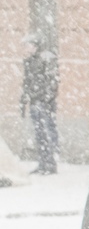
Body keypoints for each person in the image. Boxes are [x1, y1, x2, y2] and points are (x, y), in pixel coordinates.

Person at [19, 33, 59, 175]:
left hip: (44, 103)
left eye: (28, 45)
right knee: (39, 134)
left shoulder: (47, 58)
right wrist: (24, 99)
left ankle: (50, 164)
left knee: (48, 133)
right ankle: (42, 164)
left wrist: (47, 99)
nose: (26, 48)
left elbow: (52, 80)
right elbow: (27, 81)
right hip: (35, 101)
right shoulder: (29, 61)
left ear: (35, 45)